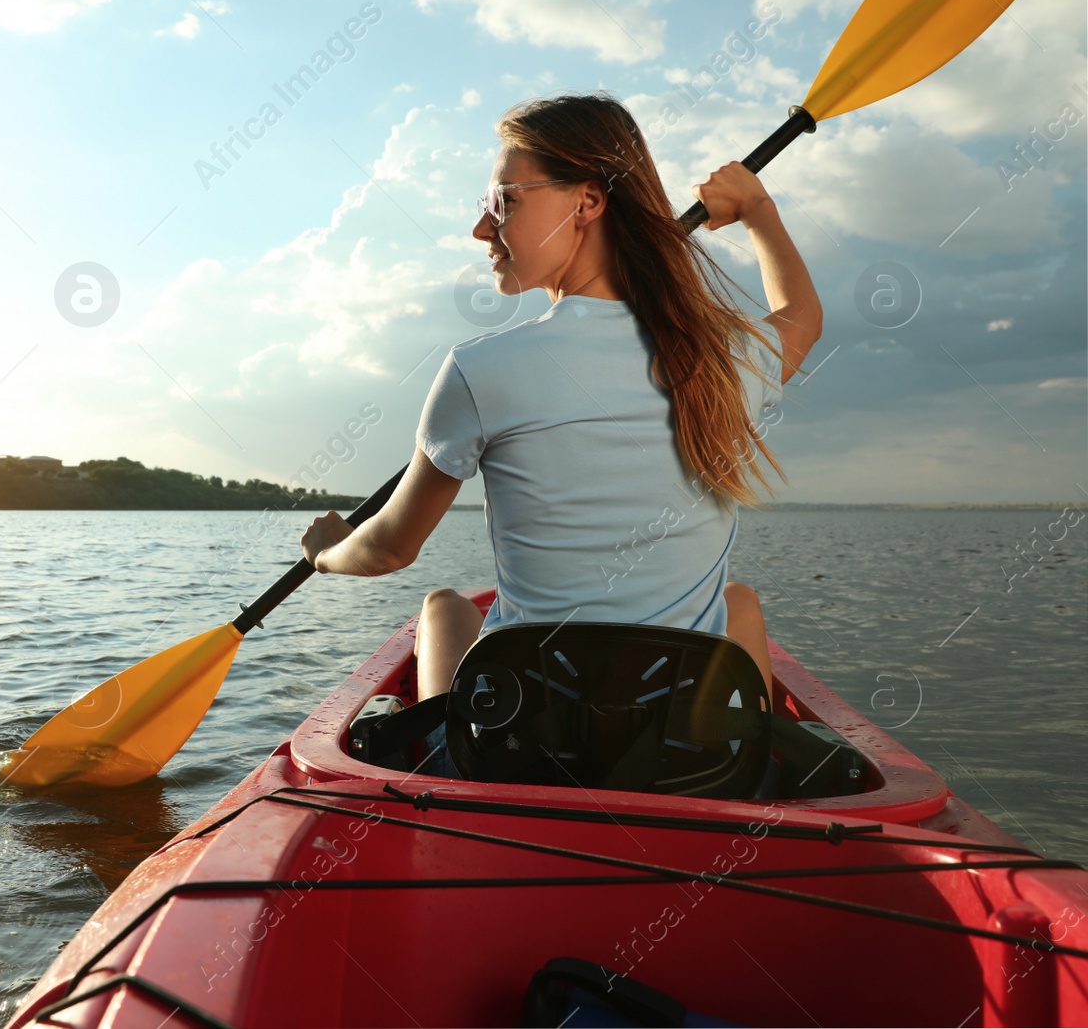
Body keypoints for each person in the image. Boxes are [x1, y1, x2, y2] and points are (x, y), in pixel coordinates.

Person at [298, 93, 822, 775]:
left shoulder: (479, 369)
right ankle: (748, 779)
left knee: (444, 608)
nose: (482, 228)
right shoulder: (724, 358)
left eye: (505, 201)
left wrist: (327, 553)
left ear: (589, 201)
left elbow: (392, 548)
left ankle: (447, 794)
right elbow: (802, 317)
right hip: (686, 758)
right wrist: (758, 211)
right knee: (739, 604)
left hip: (517, 752)